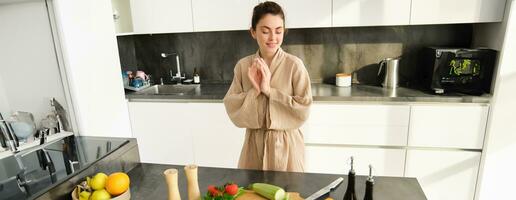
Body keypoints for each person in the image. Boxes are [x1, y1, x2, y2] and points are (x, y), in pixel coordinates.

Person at [223, 1, 312, 172]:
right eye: (265, 31)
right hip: (253, 146)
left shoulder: (294, 65)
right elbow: (232, 107)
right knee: (251, 195)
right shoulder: (243, 66)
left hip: (287, 147)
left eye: (278, 31)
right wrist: (254, 91)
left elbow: (304, 108)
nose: (273, 38)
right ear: (253, 32)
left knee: (288, 195)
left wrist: (269, 91)